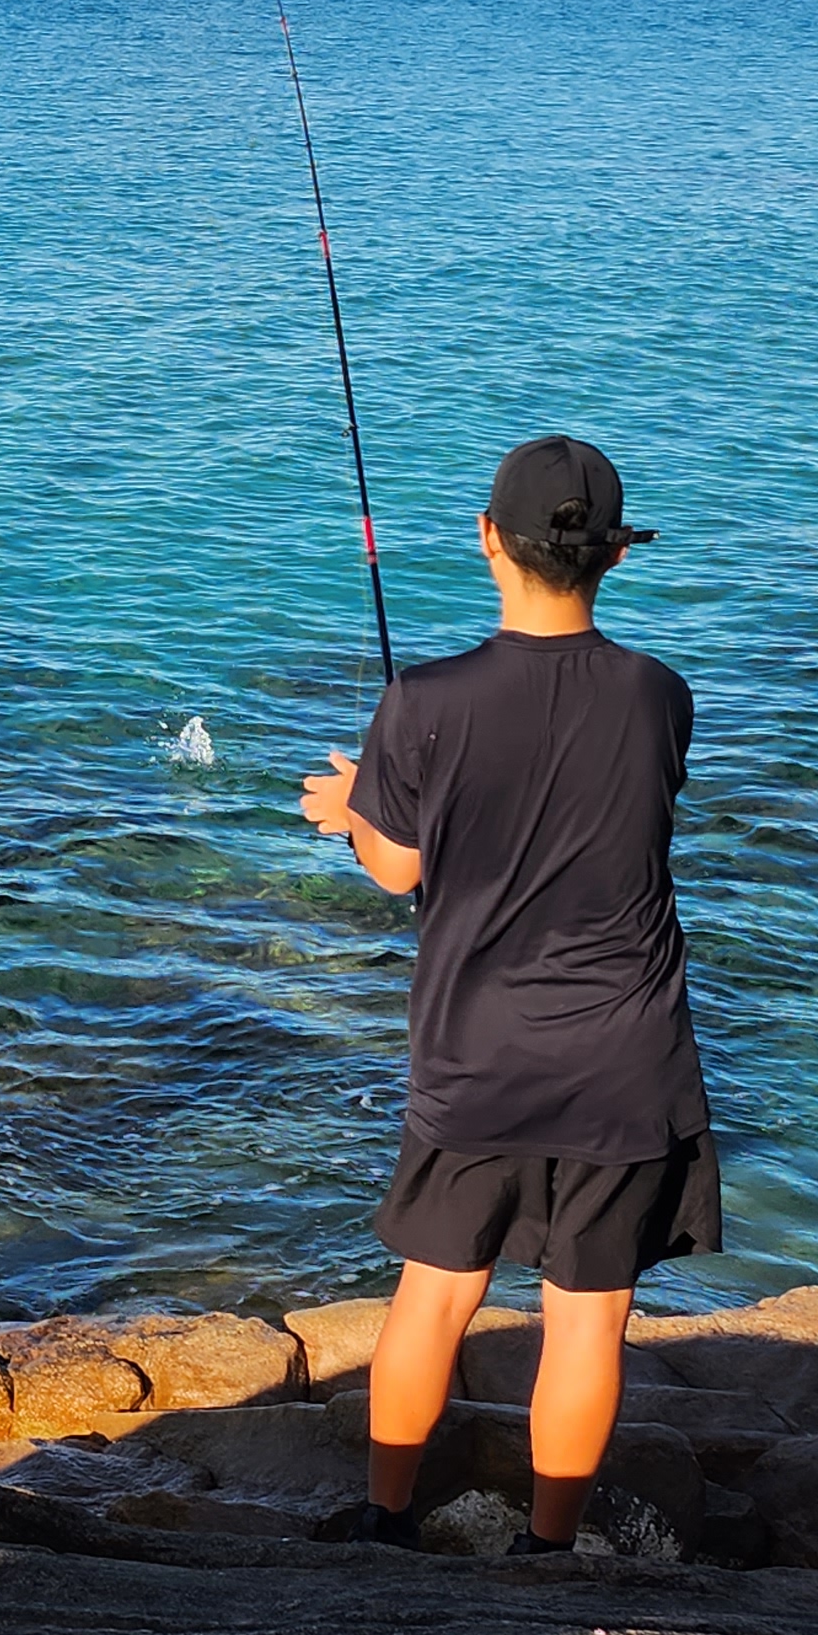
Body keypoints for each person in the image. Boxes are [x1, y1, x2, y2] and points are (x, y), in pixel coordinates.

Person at [300, 433, 715, 1556]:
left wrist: (352, 808)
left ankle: (385, 1522)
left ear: (487, 538)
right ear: (615, 556)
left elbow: (399, 871)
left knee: (434, 1294)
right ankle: (549, 1552)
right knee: (588, 1319)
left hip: (479, 1053)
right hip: (625, 1059)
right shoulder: (660, 695)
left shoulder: (424, 699)